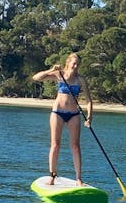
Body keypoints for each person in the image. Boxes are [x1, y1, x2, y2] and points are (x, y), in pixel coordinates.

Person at [32, 52, 93, 186]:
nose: (76, 67)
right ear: (68, 63)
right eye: (74, 64)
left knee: (75, 147)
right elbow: (36, 78)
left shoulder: (80, 79)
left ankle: (78, 179)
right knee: (55, 144)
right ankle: (52, 176)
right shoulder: (59, 75)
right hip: (57, 113)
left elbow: (89, 100)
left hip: (74, 115)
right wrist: (51, 70)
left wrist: (89, 117)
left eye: (78, 65)